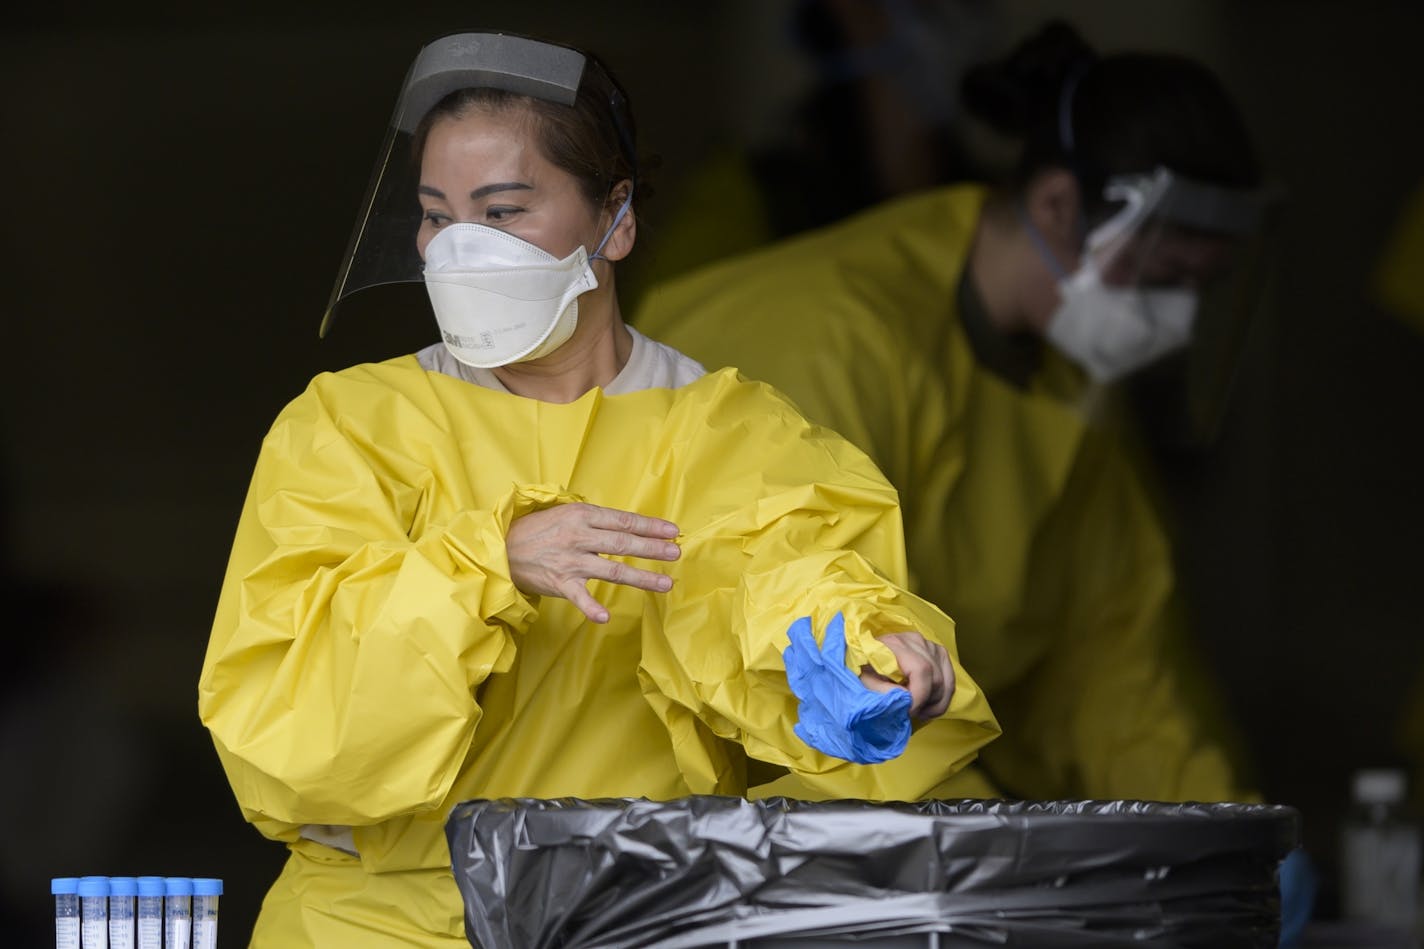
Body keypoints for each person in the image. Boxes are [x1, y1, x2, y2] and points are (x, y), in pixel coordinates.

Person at [197, 32, 998, 947]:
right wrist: (485, 566)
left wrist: (868, 652)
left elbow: (787, 575)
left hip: (646, 918)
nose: (459, 250)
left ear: (613, 221)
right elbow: (287, 732)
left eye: (502, 211)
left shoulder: (726, 430)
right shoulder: (348, 427)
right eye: (436, 215)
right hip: (379, 925)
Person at [636, 21, 1272, 806]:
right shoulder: (825, 345)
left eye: (1198, 289)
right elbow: (818, 676)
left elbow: (1108, 666)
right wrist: (993, 844)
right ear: (1057, 204)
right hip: (706, 819)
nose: (1176, 318)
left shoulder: (1067, 393)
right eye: (1165, 276)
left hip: (877, 826)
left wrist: (1220, 827)